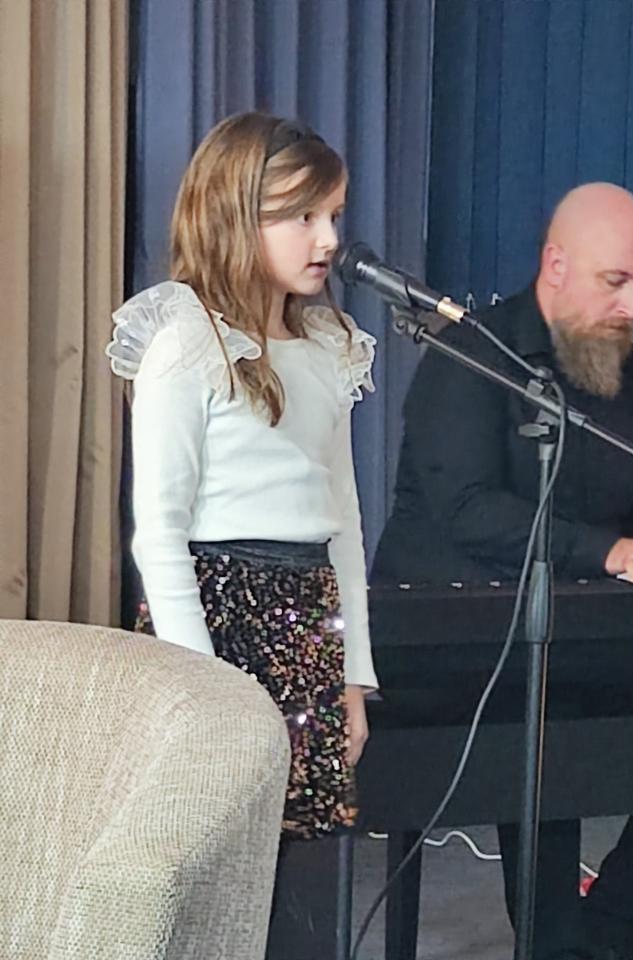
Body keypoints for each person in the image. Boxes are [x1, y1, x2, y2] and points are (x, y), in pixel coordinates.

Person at [373, 183, 633, 960]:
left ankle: (615, 922)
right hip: (453, 641)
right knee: (548, 713)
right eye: (615, 282)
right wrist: (608, 552)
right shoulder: (471, 355)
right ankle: (559, 941)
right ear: (556, 265)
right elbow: (466, 510)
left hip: (582, 633)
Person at [106, 111, 378, 843]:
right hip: (219, 615)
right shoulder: (187, 344)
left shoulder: (330, 346)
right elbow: (160, 535)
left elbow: (344, 522)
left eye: (333, 215)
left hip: (308, 622)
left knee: (302, 855)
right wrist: (203, 688)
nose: (328, 239)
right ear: (233, 215)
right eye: (302, 216)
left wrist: (352, 674)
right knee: (214, 845)